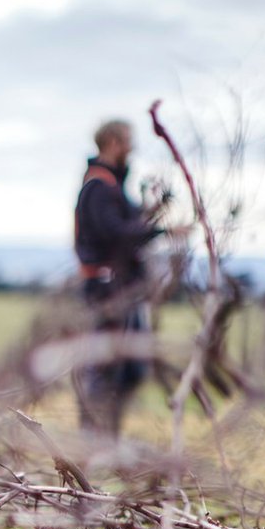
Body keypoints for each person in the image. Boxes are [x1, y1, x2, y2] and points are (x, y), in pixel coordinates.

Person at [71, 119, 188, 433]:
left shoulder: (111, 186)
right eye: (128, 140)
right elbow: (120, 234)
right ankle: (92, 440)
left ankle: (107, 438)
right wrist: (163, 229)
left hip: (122, 288)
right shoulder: (98, 187)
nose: (132, 147)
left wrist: (157, 211)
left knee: (129, 368)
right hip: (107, 290)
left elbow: (131, 222)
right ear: (112, 142)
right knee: (105, 365)